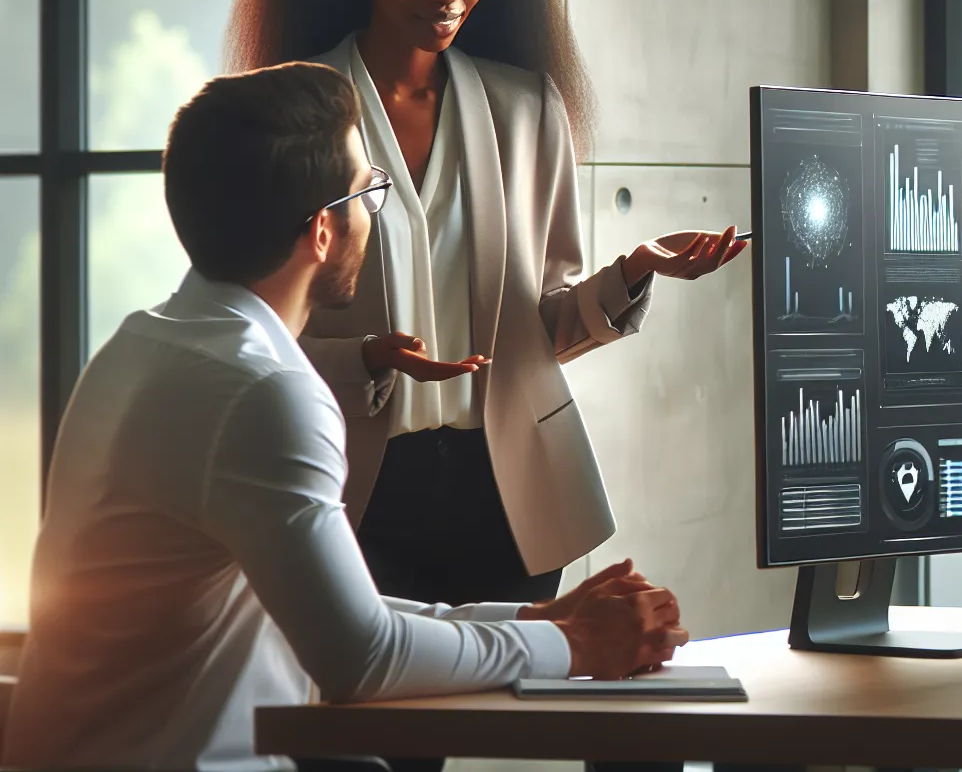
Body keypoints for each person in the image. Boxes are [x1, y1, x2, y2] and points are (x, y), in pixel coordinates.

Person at [2, 64, 688, 772]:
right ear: (323, 233)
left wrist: (541, 620)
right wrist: (577, 647)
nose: (376, 210)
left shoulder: (140, 344)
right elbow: (361, 657)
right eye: (369, 191)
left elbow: (342, 613)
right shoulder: (262, 392)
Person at [222, 0, 742, 618]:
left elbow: (545, 331)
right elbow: (257, 335)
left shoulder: (527, 110)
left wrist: (637, 269)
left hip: (511, 496)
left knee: (507, 717)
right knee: (376, 736)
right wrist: (366, 355)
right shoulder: (298, 109)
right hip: (360, 489)